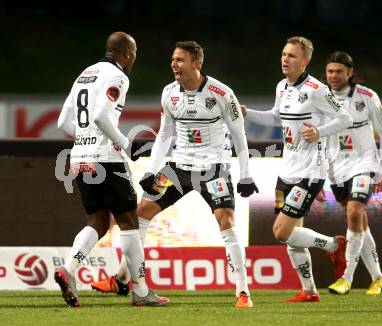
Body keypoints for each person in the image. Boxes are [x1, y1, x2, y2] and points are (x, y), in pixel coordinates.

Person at [91, 40, 259, 308]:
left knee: (226, 221)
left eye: (180, 60)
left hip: (213, 170)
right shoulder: (169, 93)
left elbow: (239, 134)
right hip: (177, 168)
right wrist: (151, 169)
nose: (173, 65)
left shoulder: (221, 93)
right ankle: (122, 278)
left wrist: (246, 175)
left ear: (196, 63)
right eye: (172, 60)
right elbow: (165, 134)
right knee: (141, 212)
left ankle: (242, 291)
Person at [56, 31, 169, 307]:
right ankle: (140, 290)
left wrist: (86, 140)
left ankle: (68, 269)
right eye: (134, 56)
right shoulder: (118, 76)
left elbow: (62, 123)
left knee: (97, 222)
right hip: (106, 159)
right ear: (127, 54)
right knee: (130, 223)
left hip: (80, 158)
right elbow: (100, 115)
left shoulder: (84, 74)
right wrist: (123, 144)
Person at [241, 36, 353, 302]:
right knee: (292, 237)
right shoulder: (282, 86)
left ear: (305, 61)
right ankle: (309, 290)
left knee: (281, 231)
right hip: (286, 171)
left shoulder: (317, 89)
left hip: (310, 172)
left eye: (292, 56)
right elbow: (275, 116)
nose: (285, 59)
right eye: (283, 54)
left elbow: (345, 118)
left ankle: (333, 245)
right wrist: (247, 112)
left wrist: (319, 131)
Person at [324, 51, 382, 295]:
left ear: (350, 73)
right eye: (330, 71)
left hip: (363, 163)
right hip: (335, 169)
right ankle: (378, 278)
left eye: (339, 71)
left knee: (354, 213)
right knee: (358, 221)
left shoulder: (367, 96)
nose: (334, 76)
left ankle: (347, 278)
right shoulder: (320, 97)